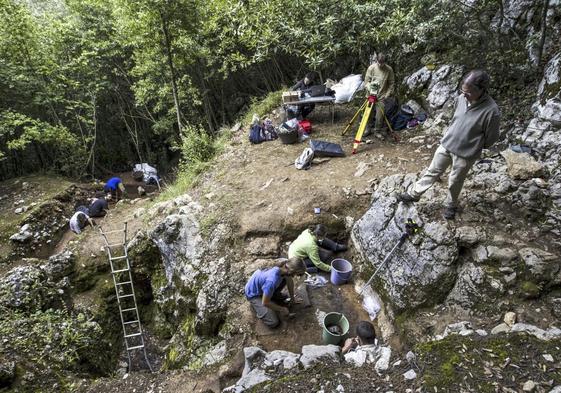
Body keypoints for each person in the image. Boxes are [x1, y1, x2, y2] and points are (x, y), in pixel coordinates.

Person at [397, 69, 501, 220]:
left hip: (466, 153)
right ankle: (414, 194)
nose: (464, 94)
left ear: (481, 90)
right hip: (447, 143)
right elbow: (455, 119)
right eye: (463, 90)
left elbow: (491, 138)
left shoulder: (491, 111)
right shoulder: (461, 98)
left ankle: (451, 205)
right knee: (432, 170)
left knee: (455, 180)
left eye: (469, 92)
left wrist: (473, 145)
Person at [245, 258, 306, 328]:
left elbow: (289, 282)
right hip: (253, 294)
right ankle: (257, 306)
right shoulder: (272, 280)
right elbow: (265, 302)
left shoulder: (285, 264)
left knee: (284, 287)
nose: (295, 276)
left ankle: (270, 295)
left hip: (263, 286)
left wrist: (292, 299)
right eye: (295, 274)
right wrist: (282, 309)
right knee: (273, 322)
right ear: (291, 271)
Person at [363, 53, 395, 137]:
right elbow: (366, 82)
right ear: (377, 61)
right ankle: (368, 129)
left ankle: (377, 131)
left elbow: (391, 84)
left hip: (381, 96)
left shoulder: (389, 70)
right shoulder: (371, 68)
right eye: (379, 62)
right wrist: (370, 89)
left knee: (379, 115)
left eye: (382, 63)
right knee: (368, 114)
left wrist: (387, 94)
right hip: (370, 95)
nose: (380, 64)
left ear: (385, 62)